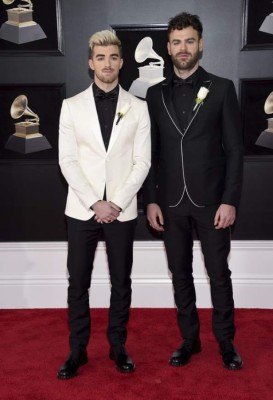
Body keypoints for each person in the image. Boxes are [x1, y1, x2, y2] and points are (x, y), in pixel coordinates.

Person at [143, 12, 244, 370]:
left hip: (213, 203)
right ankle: (190, 340)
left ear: (200, 44)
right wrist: (150, 199)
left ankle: (226, 342)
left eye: (189, 41)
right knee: (180, 273)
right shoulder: (153, 95)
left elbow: (234, 150)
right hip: (169, 204)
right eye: (176, 42)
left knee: (219, 274)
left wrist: (230, 199)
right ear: (167, 48)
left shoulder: (221, 88)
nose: (182, 48)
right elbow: (150, 153)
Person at [57, 30, 151, 379]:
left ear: (122, 62)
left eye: (113, 57)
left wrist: (117, 203)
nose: (107, 63)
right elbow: (67, 161)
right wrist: (96, 202)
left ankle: (118, 346)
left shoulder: (138, 108)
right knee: (77, 283)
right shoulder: (71, 106)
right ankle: (77, 351)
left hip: (122, 210)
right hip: (82, 208)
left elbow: (142, 162)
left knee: (120, 282)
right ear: (90, 62)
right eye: (100, 58)